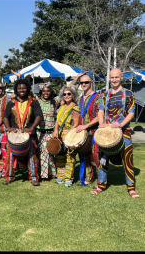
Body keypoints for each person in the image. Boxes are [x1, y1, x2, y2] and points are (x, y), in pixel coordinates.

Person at [90, 68, 139, 198]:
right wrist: (101, 124)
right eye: (112, 78)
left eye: (116, 77)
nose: (114, 80)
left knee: (128, 159)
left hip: (124, 132)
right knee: (102, 160)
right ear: (109, 79)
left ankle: (131, 188)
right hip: (106, 134)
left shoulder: (129, 94)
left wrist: (121, 124)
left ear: (121, 77)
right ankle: (101, 185)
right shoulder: (104, 95)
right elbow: (101, 110)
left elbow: (131, 113)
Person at [2, 78, 43, 186]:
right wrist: (8, 128)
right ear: (16, 89)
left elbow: (39, 116)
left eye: (24, 87)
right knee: (10, 157)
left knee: (32, 157)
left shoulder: (33, 102)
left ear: (27, 88)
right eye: (19, 88)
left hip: (30, 135)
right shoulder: (11, 103)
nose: (22, 90)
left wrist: (32, 127)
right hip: (14, 135)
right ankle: (9, 177)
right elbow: (5, 117)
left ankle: (34, 178)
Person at [75, 72, 100, 186]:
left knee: (96, 156)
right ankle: (87, 178)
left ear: (91, 83)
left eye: (86, 82)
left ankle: (101, 181)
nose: (83, 84)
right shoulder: (80, 99)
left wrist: (86, 125)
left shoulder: (97, 97)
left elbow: (99, 117)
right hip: (83, 132)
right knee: (83, 155)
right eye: (82, 83)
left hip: (94, 131)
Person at [53, 85, 81, 187]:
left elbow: (76, 124)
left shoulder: (75, 108)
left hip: (70, 134)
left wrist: (67, 134)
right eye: (64, 94)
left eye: (69, 94)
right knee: (60, 155)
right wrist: (56, 130)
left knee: (70, 156)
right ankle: (60, 176)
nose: (66, 96)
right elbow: (57, 121)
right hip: (60, 134)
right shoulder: (62, 107)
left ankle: (68, 178)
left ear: (73, 95)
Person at [36, 82, 60, 182]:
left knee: (47, 151)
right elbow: (27, 91)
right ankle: (52, 172)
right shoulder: (37, 101)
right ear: (41, 91)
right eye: (44, 91)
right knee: (42, 153)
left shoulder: (54, 101)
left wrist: (75, 79)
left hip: (50, 132)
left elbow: (66, 90)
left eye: (48, 91)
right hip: (38, 132)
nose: (46, 93)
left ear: (51, 91)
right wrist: (20, 78)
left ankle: (45, 175)